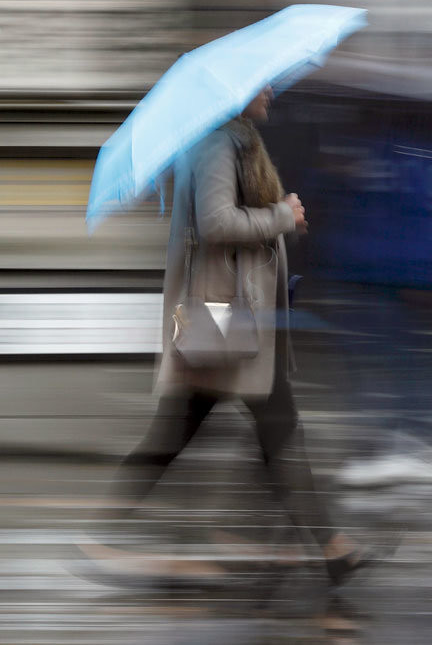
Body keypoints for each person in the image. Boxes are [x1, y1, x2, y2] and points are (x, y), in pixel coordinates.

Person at [82, 87, 373, 590]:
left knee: (245, 428)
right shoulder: (218, 142)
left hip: (231, 316)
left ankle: (323, 546)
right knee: (251, 427)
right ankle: (325, 546)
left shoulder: (232, 138)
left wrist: (281, 216)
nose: (270, 91)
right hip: (221, 317)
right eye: (263, 84)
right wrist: (282, 215)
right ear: (237, 92)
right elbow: (216, 222)